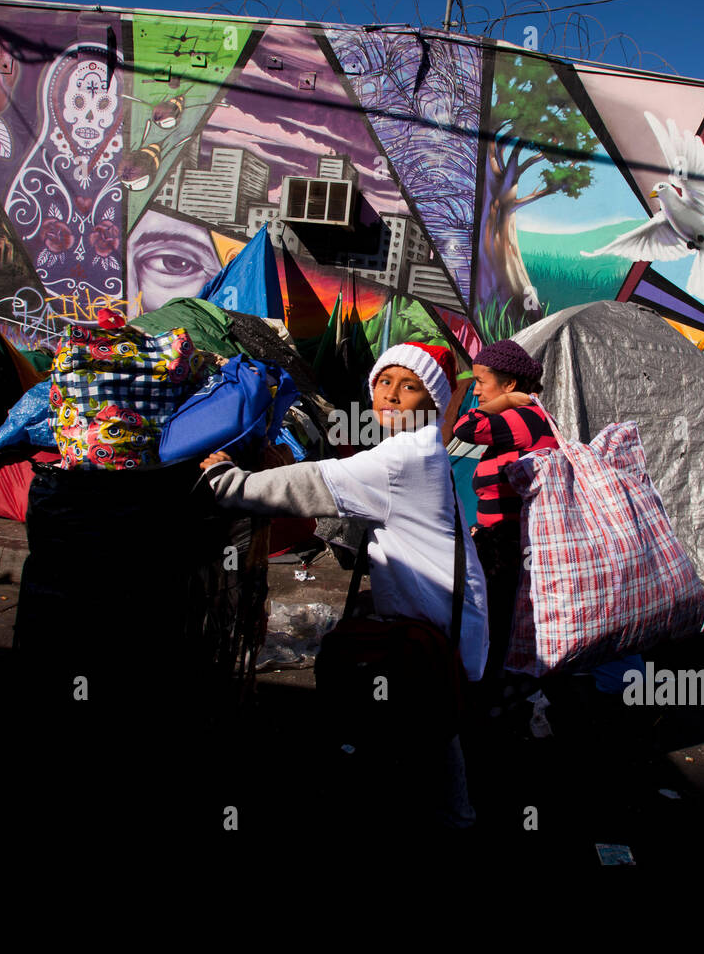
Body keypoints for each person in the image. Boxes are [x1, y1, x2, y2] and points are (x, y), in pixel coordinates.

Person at [200, 341, 489, 829]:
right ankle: (450, 813)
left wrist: (227, 480)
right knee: (438, 724)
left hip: (438, 620)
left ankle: (441, 819)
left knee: (428, 719)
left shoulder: (401, 460)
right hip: (450, 609)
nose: (391, 395)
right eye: (384, 382)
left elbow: (312, 483)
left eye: (409, 387)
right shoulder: (418, 449)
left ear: (432, 402)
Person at [451, 339, 558, 689]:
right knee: (497, 623)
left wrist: (506, 402)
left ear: (509, 384)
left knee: (495, 625)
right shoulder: (524, 419)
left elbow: (465, 428)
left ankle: (490, 698)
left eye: (483, 381)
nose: (477, 390)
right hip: (504, 544)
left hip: (510, 549)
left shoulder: (522, 416)